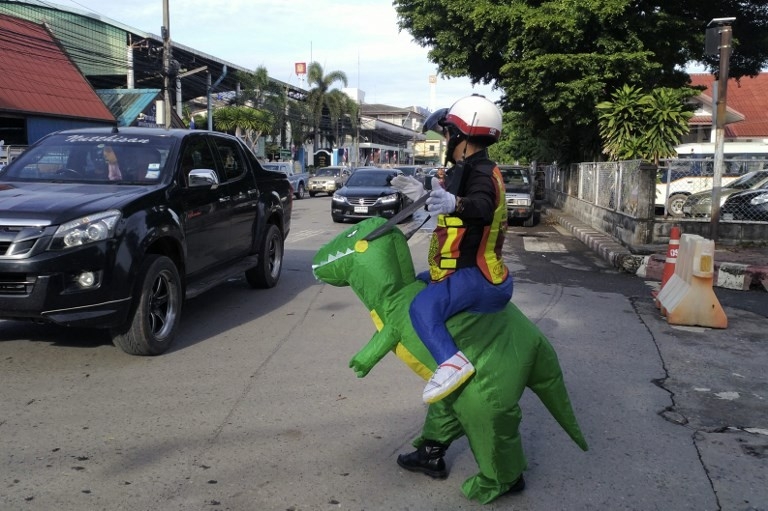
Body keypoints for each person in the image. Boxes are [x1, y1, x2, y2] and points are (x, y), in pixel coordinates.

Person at [392, 94, 512, 405]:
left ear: (462, 133)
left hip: (479, 275)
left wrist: (455, 202)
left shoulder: (481, 172)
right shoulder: (468, 167)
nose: (445, 139)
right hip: (462, 267)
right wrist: (426, 197)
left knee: (422, 307)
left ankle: (452, 362)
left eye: (447, 133)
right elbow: (451, 221)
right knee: (421, 279)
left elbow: (482, 208)